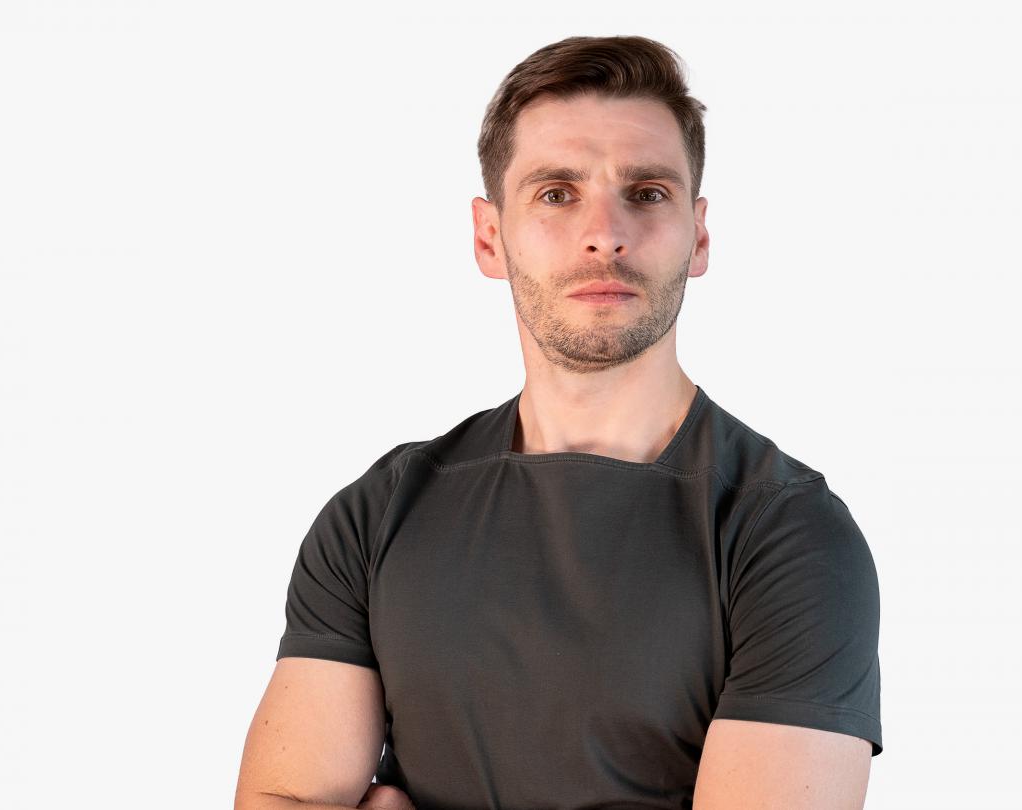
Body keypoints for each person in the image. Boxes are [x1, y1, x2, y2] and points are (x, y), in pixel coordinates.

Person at [234, 35, 882, 810]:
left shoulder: (787, 536)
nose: (604, 232)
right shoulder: (378, 515)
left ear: (698, 235)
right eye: (556, 192)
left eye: (646, 192)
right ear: (489, 236)